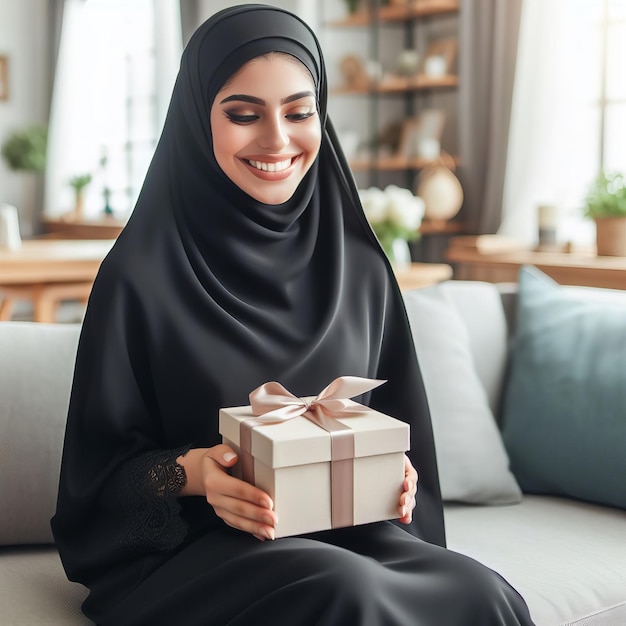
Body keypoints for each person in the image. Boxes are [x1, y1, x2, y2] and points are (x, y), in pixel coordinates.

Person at [51, 5, 535, 625]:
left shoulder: (360, 266)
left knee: (485, 593)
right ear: (199, 122)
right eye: (244, 114)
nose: (276, 140)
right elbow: (97, 484)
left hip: (352, 535)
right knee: (344, 593)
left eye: (299, 112)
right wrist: (195, 473)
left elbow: (400, 435)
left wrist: (397, 479)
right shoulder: (138, 276)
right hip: (193, 551)